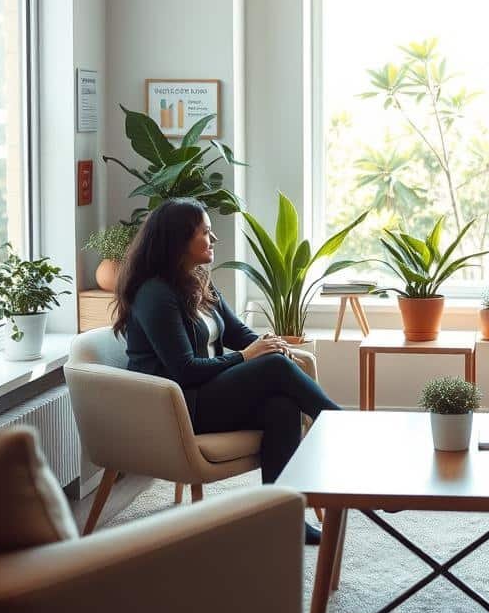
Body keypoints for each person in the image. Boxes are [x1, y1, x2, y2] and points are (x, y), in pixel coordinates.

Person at [113, 197, 340, 545]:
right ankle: (344, 428)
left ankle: (283, 518)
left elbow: (238, 334)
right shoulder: (155, 294)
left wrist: (269, 343)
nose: (214, 239)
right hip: (177, 406)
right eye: (205, 232)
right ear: (179, 241)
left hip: (209, 393)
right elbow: (185, 370)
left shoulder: (198, 282)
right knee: (275, 368)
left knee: (283, 407)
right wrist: (250, 357)